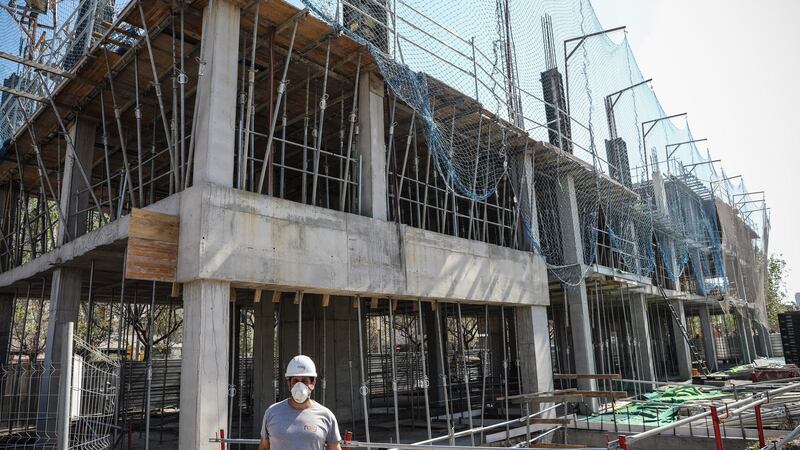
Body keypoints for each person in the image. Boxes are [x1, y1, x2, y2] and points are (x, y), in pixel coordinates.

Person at [259, 355, 342, 450]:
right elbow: (264, 447)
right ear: (289, 384)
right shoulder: (272, 412)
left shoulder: (326, 416)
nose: (299, 386)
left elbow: (334, 448)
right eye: (295, 381)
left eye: (304, 381)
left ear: (313, 383)